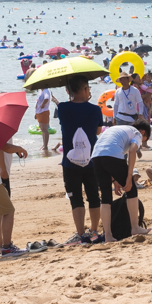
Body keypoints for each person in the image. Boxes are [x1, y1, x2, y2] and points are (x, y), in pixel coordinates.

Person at [55, 76, 103, 243]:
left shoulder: (62, 108)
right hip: (91, 160)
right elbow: (97, 132)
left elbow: (64, 121)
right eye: (88, 88)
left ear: (68, 90)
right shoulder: (96, 109)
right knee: (93, 196)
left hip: (70, 161)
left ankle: (81, 233)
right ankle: (95, 230)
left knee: (75, 197)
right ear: (84, 90)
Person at [90, 122, 149, 243]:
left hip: (95, 156)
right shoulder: (136, 133)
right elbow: (132, 151)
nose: (141, 143)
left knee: (106, 197)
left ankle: (108, 236)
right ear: (143, 132)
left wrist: (115, 180)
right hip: (112, 155)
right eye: (143, 140)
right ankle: (135, 227)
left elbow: (105, 153)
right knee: (131, 189)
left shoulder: (118, 130)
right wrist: (129, 176)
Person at [33, 87, 56, 153]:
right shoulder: (41, 91)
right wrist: (36, 113)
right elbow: (37, 102)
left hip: (43, 112)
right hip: (39, 112)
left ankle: (45, 146)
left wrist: (42, 105)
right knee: (42, 129)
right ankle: (44, 145)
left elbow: (47, 98)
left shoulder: (46, 90)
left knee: (44, 129)